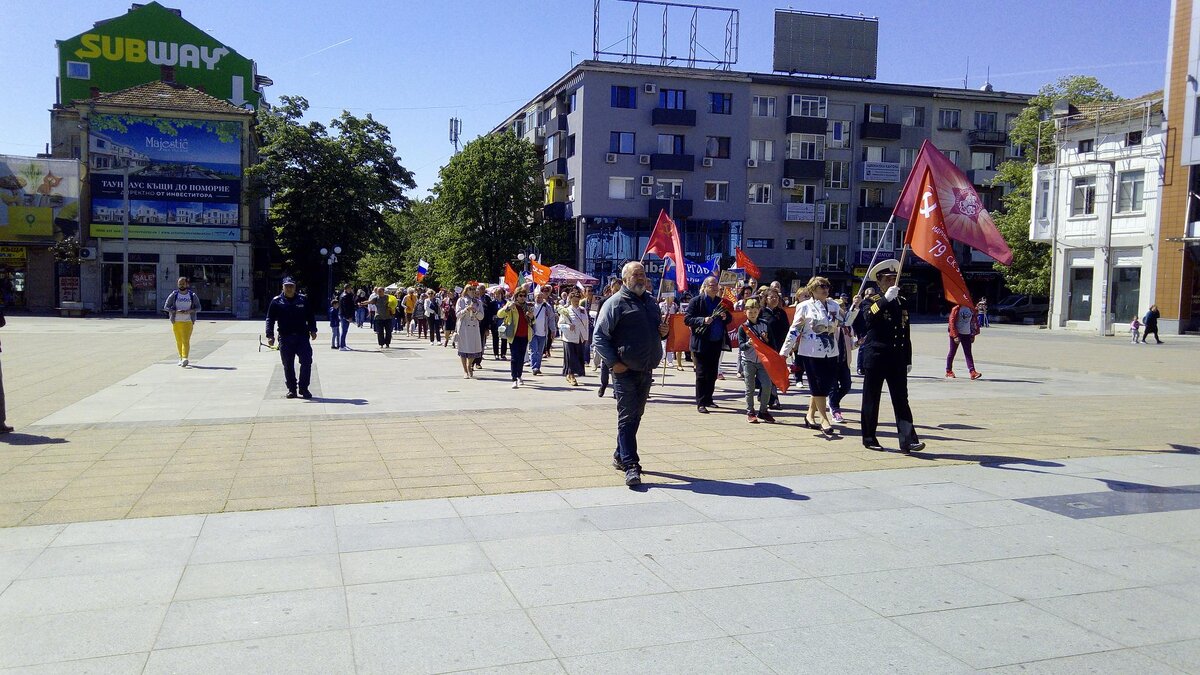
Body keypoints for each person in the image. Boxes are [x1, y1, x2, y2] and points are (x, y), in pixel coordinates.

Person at [593, 262, 668, 487]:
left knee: (636, 415)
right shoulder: (615, 303)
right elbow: (599, 337)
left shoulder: (652, 304)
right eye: (636, 275)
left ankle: (619, 454)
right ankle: (631, 464)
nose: (640, 278)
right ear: (625, 279)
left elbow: (656, 332)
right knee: (627, 417)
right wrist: (613, 363)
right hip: (623, 371)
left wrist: (663, 333)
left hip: (646, 369)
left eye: (643, 275)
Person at [850, 259, 924, 453]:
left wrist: (907, 358)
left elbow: (904, 332)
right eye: (889, 279)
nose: (893, 282)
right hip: (876, 357)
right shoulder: (871, 301)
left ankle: (908, 440)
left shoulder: (902, 301)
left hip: (897, 358)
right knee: (871, 399)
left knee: (901, 399)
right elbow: (868, 319)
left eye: (895, 278)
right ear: (879, 281)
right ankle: (869, 438)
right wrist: (885, 300)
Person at [781, 276, 842, 437]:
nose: (825, 289)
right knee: (817, 385)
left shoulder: (834, 305)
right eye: (821, 286)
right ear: (812, 289)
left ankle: (809, 415)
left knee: (826, 385)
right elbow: (794, 330)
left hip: (831, 351)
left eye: (827, 286)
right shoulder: (804, 306)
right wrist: (784, 352)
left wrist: (855, 308)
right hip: (811, 351)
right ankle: (824, 419)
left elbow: (846, 322)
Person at [684, 276, 731, 414]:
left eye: (716, 285)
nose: (715, 287)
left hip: (716, 342)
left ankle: (709, 399)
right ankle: (701, 402)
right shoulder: (696, 301)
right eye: (712, 285)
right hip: (701, 343)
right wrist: (702, 320)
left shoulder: (720, 302)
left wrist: (725, 317)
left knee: (712, 373)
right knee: (701, 373)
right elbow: (687, 319)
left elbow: (729, 318)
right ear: (705, 287)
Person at [265, 277, 318, 399]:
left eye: (291, 286)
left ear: (295, 287)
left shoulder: (303, 300)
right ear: (282, 287)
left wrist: (313, 330)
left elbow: (310, 316)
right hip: (285, 338)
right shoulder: (276, 301)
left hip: (302, 337)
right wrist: (270, 335)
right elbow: (270, 319)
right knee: (288, 365)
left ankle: (304, 388)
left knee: (306, 362)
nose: (289, 288)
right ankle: (292, 389)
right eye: (287, 286)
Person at [738, 298, 776, 424]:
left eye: (755, 312)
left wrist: (767, 341)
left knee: (767, 385)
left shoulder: (765, 324)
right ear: (745, 313)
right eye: (750, 312)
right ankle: (750, 411)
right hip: (748, 361)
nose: (753, 314)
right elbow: (741, 346)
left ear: (759, 311)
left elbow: (772, 343)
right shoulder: (743, 328)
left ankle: (763, 410)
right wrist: (748, 343)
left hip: (762, 361)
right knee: (750, 387)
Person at [497, 285, 534, 388]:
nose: (522, 297)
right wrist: (508, 308)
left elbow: (532, 321)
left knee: (521, 357)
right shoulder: (511, 305)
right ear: (516, 296)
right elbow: (499, 314)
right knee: (514, 357)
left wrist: (531, 317)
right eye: (520, 295)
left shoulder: (528, 306)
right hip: (513, 335)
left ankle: (519, 375)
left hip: (525, 335)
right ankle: (514, 378)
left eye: (524, 296)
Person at [829, 293, 856, 423]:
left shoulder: (847, 327)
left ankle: (833, 402)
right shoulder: (831, 326)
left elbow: (850, 345)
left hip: (844, 361)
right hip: (832, 362)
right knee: (833, 387)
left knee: (846, 385)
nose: (841, 310)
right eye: (838, 308)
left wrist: (858, 343)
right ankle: (835, 410)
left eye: (842, 308)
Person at [163, 276, 200, 367]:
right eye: (180, 284)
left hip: (188, 321)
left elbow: (199, 307)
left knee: (185, 340)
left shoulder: (192, 295)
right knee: (179, 340)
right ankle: (180, 358)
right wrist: (175, 311)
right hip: (176, 321)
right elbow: (166, 307)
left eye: (183, 283)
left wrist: (190, 311)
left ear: (187, 284)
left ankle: (185, 358)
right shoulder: (174, 295)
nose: (181, 285)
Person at [558, 288, 590, 386]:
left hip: (580, 337)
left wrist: (586, 336)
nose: (576, 303)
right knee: (570, 357)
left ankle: (572, 374)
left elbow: (586, 324)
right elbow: (560, 324)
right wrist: (568, 326)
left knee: (578, 357)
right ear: (570, 300)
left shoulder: (583, 310)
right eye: (574, 301)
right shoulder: (566, 311)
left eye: (577, 301)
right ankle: (571, 375)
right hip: (569, 338)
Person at [947, 302, 982, 379]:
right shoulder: (956, 309)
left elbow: (973, 322)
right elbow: (951, 322)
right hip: (957, 333)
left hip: (967, 334)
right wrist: (955, 335)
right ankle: (948, 371)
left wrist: (972, 334)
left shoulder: (970, 309)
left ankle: (972, 372)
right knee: (952, 352)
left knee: (968, 353)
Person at [455, 285, 484, 378]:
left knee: (473, 349)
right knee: (463, 348)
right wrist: (466, 309)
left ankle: (469, 365)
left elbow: (481, 316)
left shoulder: (478, 302)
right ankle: (465, 370)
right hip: (464, 328)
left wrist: (475, 311)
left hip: (474, 327)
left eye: (474, 289)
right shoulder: (461, 300)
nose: (472, 291)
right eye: (470, 289)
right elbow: (458, 314)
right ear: (466, 290)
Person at [529, 287, 556, 375]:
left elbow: (551, 319)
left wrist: (553, 330)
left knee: (540, 352)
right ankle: (534, 367)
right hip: (533, 333)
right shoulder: (531, 306)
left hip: (543, 333)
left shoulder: (546, 306)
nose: (539, 298)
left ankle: (538, 366)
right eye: (537, 297)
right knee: (534, 350)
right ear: (534, 297)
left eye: (540, 297)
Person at [338, 284, 355, 350]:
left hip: (343, 315)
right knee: (344, 330)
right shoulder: (345, 296)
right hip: (345, 316)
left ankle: (343, 344)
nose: (351, 289)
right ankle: (342, 346)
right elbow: (346, 308)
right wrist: (348, 317)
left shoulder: (344, 295)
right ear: (347, 288)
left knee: (344, 330)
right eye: (350, 288)